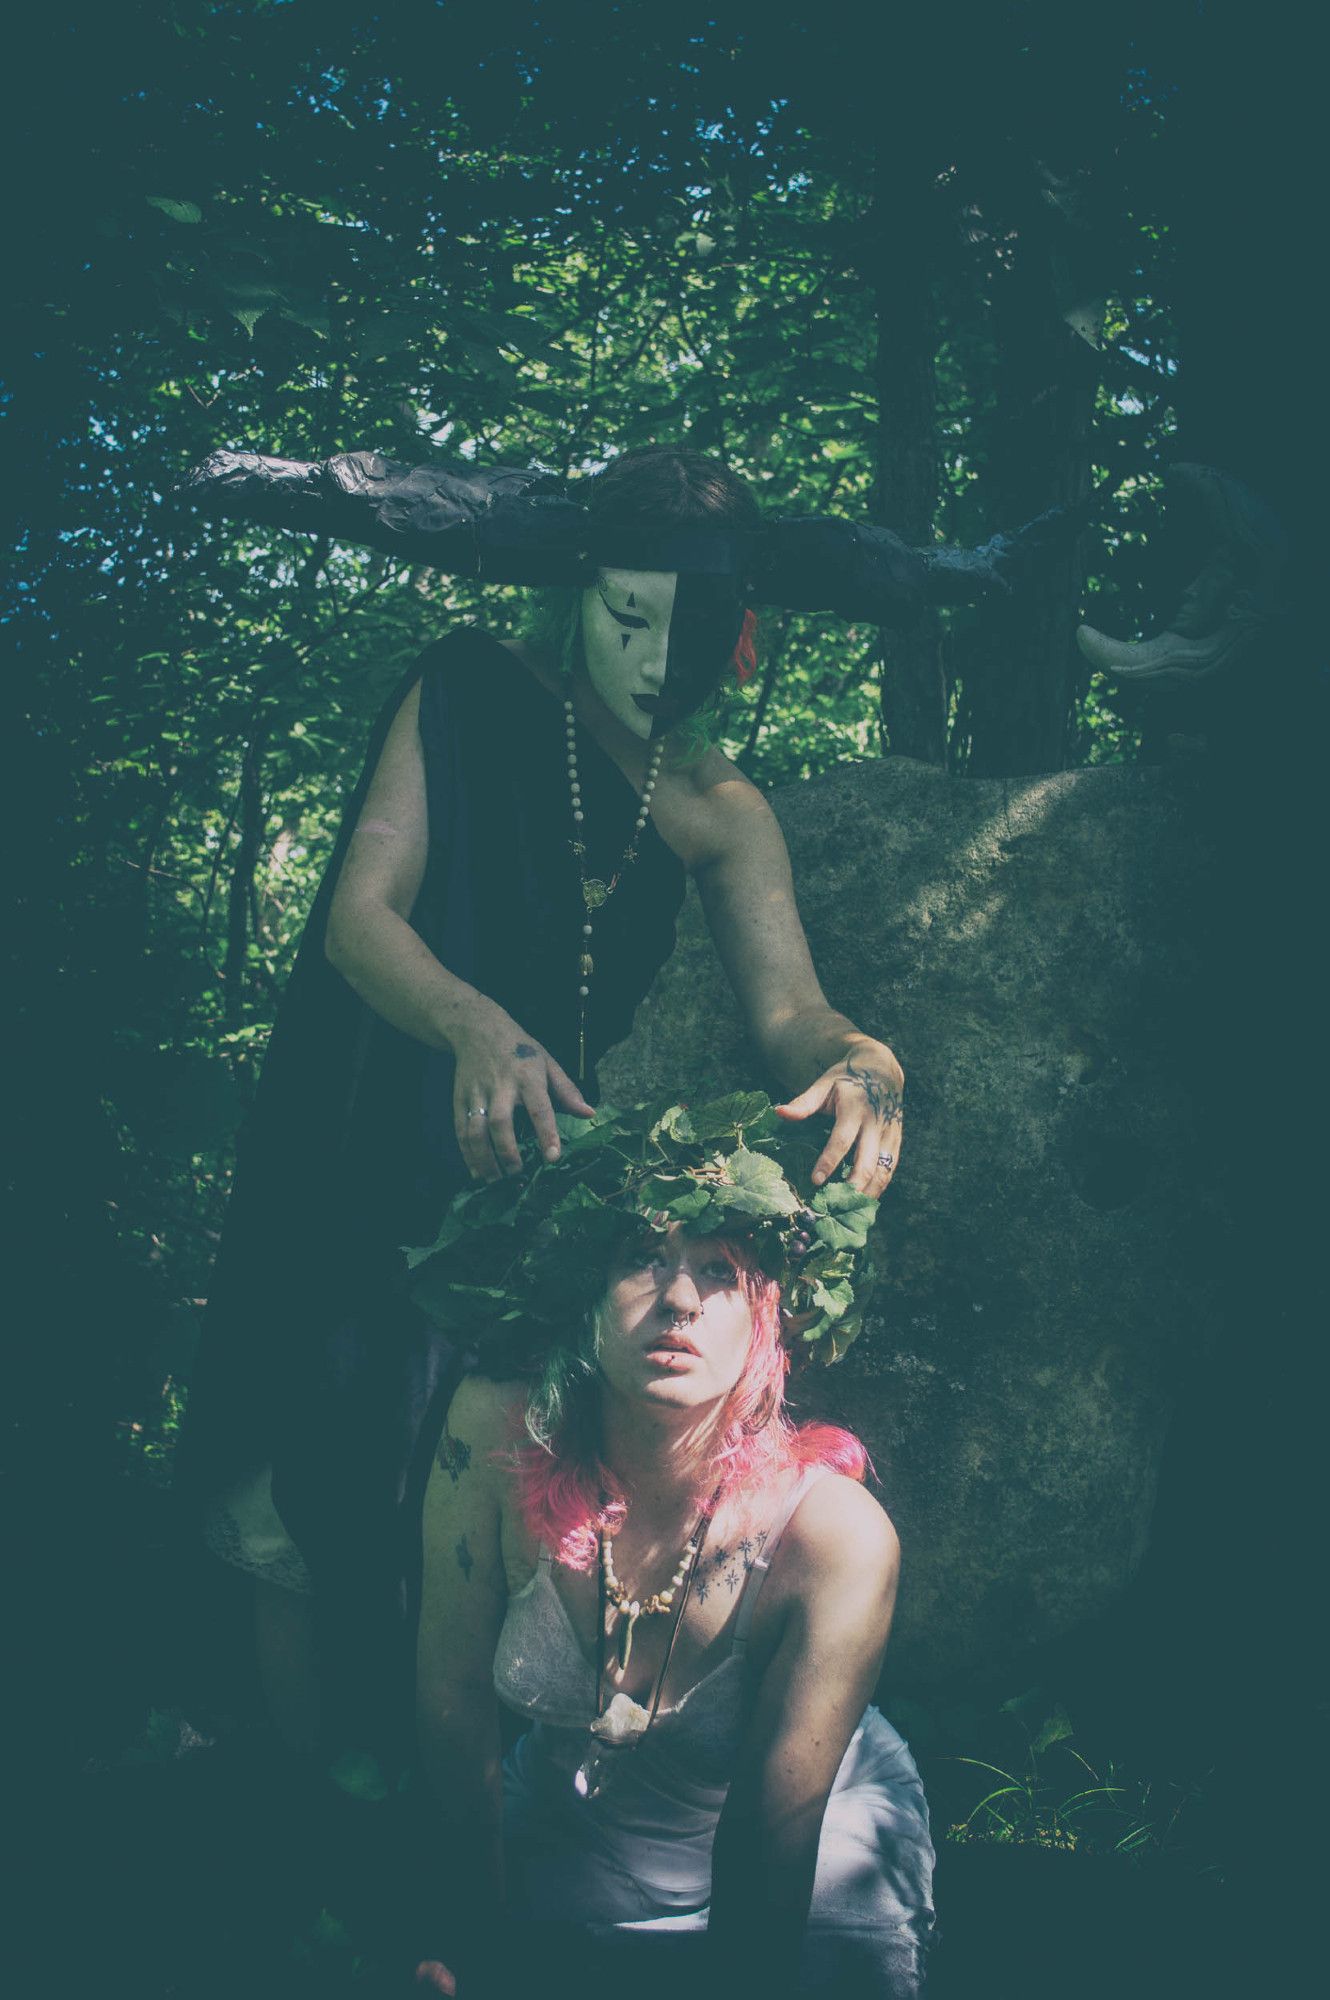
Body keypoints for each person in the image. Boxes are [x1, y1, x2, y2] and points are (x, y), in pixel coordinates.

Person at [179, 445, 908, 1766]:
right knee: (309, 1472)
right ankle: (297, 1825)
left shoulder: (716, 808)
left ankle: (430, 1839)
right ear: (575, 590)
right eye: (625, 618)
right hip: (360, 1139)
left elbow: (790, 1010)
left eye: (686, 637)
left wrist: (865, 1057)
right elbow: (360, 915)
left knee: (459, 1500)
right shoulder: (464, 687)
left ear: (739, 637)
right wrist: (471, 1022)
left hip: (531, 1183)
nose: (649, 662)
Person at [413, 1212, 935, 2000]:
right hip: (570, 1826)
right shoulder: (495, 1434)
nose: (681, 1297)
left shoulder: (834, 1538)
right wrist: (470, 1939)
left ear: (767, 1315)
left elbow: (771, 1851)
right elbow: (449, 1691)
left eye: (721, 1270)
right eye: (643, 1258)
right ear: (585, 1293)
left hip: (815, 1850)